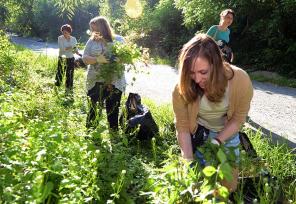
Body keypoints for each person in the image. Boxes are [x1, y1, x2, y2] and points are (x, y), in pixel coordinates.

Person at [172, 34, 253, 192]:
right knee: (200, 179)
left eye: (203, 72)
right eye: (191, 73)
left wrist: (218, 140)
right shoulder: (180, 88)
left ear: (216, 64)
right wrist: (188, 160)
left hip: (228, 131)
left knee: (228, 182)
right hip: (200, 132)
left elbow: (238, 119)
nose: (196, 79)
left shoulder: (240, 80)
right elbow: (182, 127)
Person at [82, 16, 125, 131]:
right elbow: (84, 58)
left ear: (103, 28)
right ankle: (90, 132)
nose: (93, 32)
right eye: (91, 29)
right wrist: (97, 59)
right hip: (96, 80)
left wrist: (117, 59)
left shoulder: (119, 40)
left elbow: (127, 58)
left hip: (115, 80)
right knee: (93, 107)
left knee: (113, 108)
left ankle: (113, 133)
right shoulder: (91, 41)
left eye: (95, 29)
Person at [55, 24, 79, 92]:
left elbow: (75, 50)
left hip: (71, 58)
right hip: (62, 58)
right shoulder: (60, 38)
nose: (64, 34)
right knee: (60, 72)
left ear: (69, 32)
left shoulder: (73, 39)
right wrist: (71, 47)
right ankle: (57, 85)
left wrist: (76, 50)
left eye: (65, 32)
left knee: (70, 73)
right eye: (63, 32)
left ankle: (68, 88)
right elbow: (62, 49)